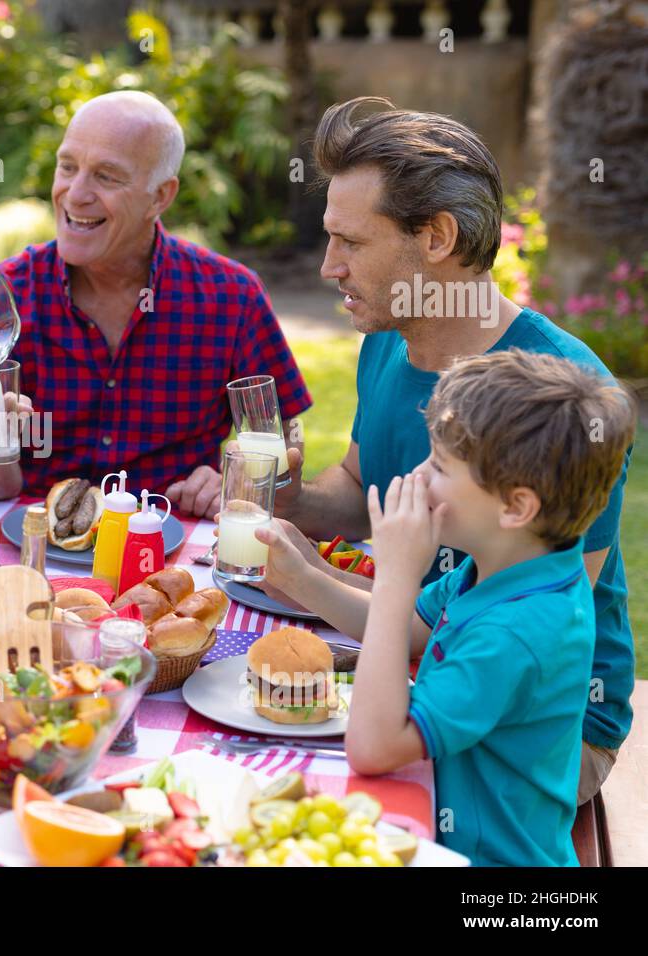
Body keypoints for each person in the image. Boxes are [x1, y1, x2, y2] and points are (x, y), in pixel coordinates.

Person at [261, 97, 636, 805]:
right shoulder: (385, 338)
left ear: (436, 237)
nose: (328, 267)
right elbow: (360, 487)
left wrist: (348, 594)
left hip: (538, 726)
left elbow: (527, 626)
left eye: (352, 243)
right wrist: (293, 502)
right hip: (425, 647)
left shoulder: (560, 396)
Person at [268, 351, 634, 865]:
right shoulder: (509, 563)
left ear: (516, 507)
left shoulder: (517, 632)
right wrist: (303, 577)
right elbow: (411, 632)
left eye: (438, 466)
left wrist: (395, 573)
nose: (417, 476)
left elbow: (373, 748)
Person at [0, 91, 311, 517]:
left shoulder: (232, 296)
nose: (74, 193)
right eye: (67, 167)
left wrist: (244, 479)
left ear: (160, 197)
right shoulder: (3, 296)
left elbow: (287, 434)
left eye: (106, 176)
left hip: (178, 553)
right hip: (35, 545)